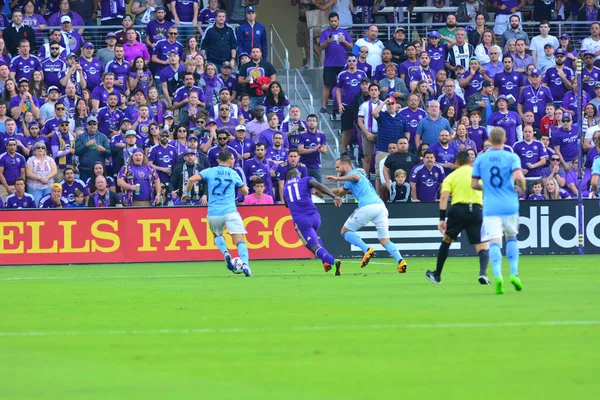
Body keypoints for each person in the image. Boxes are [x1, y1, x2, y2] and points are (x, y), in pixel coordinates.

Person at [326, 156, 407, 273]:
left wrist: (337, 179)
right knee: (385, 240)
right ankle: (401, 261)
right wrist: (320, 190)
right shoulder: (351, 182)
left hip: (367, 207)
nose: (336, 170)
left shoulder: (354, 173)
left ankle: (367, 249)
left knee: (345, 231)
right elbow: (339, 192)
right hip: (380, 207)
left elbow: (355, 176)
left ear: (345, 165)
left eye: (338, 167)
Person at [471, 127, 526, 294]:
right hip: (509, 204)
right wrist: (521, 189)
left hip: (491, 206)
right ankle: (514, 273)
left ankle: (497, 276)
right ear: (504, 139)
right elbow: (519, 177)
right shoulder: (511, 157)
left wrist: (485, 187)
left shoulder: (481, 159)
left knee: (494, 241)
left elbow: (473, 184)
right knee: (511, 237)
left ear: (489, 138)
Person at [182, 150, 252, 277]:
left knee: (217, 235)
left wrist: (186, 194)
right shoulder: (233, 173)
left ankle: (225, 252)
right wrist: (244, 188)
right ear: (230, 159)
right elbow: (245, 192)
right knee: (239, 240)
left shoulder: (210, 171)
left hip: (214, 212)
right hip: (230, 211)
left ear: (219, 160)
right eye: (232, 159)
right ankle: (245, 264)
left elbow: (192, 179)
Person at [426, 150, 489, 285]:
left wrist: (442, 219)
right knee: (482, 245)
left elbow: (444, 197)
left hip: (458, 210)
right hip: (476, 210)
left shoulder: (451, 176)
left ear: (456, 163)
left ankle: (437, 275)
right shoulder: (478, 174)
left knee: (447, 240)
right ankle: (483, 273)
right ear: (470, 161)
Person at [284, 167, 343, 273]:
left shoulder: (285, 187)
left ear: (288, 177)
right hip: (315, 217)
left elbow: (286, 205)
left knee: (312, 246)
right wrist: (334, 196)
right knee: (316, 239)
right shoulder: (306, 180)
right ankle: (325, 262)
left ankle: (333, 261)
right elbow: (318, 185)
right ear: (298, 174)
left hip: (301, 220)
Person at [318, 12, 353, 115]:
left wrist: (344, 42)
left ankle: (342, 105)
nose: (333, 23)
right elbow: (320, 47)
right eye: (332, 21)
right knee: (327, 85)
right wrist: (327, 41)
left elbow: (351, 47)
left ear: (339, 21)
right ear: (329, 21)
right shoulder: (325, 32)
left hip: (342, 63)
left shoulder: (344, 32)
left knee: (343, 85)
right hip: (329, 64)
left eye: (335, 21)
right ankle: (323, 106)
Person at [75, 116, 111, 183]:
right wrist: (86, 145)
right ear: (86, 125)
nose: (92, 125)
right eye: (90, 124)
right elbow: (77, 152)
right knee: (85, 191)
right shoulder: (80, 137)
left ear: (97, 125)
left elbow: (109, 152)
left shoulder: (103, 137)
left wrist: (104, 150)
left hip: (99, 170)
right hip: (85, 169)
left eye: (94, 124)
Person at [26, 141, 57, 206]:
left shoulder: (50, 159)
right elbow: (28, 173)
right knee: (37, 206)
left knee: (48, 206)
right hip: (34, 187)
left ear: (45, 150)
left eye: (43, 147)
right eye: (38, 147)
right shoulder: (31, 159)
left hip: (48, 186)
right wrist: (40, 178)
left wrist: (47, 178)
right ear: (34, 150)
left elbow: (54, 171)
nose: (40, 149)